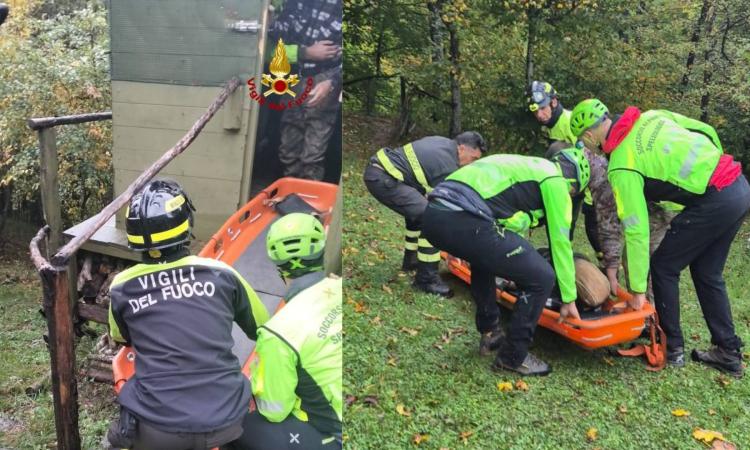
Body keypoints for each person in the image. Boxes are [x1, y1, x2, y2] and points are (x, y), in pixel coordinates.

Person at [570, 99, 749, 377]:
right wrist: (716, 163)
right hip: (737, 186)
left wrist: (638, 291)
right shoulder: (651, 116)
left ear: (590, 136)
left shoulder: (621, 164)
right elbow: (703, 129)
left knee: (664, 266)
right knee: (707, 272)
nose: (587, 147)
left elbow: (636, 230)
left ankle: (672, 347)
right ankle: (728, 352)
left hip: (714, 199)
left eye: (583, 142)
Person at [106, 179, 270, 449]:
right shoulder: (222, 273)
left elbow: (122, 337)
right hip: (227, 417)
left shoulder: (122, 286)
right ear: (186, 222)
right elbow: (264, 329)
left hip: (157, 427)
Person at [421, 149, 590, 376]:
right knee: (543, 276)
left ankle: (490, 332)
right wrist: (569, 297)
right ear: (573, 183)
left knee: (486, 257)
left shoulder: (525, 164)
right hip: (464, 218)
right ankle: (513, 357)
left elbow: (503, 218)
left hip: (433, 215)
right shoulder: (555, 181)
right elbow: (560, 243)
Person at [230, 213, 342, 449]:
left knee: (238, 427)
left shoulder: (277, 332)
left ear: (277, 266)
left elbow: (274, 410)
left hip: (334, 433)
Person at [363, 132, 486, 297]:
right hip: (385, 179)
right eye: (473, 159)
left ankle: (411, 261)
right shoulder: (448, 164)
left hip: (381, 171)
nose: (471, 164)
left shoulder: (441, 142)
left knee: (418, 216)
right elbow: (448, 204)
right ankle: (426, 280)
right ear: (462, 148)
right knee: (433, 219)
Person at [528, 81, 604, 263]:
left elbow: (593, 158)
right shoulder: (550, 126)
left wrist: (590, 196)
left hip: (590, 186)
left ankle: (609, 267)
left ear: (554, 102)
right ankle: (562, 258)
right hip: (571, 186)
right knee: (564, 222)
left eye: (543, 108)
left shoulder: (571, 122)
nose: (539, 115)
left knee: (594, 228)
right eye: (535, 111)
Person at [269, 0, 343, 181]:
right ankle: (289, 197)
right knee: (288, 147)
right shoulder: (295, 3)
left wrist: (331, 82)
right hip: (295, 76)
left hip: (324, 78)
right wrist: (267, 16)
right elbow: (278, 34)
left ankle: (309, 203)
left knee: (313, 155)